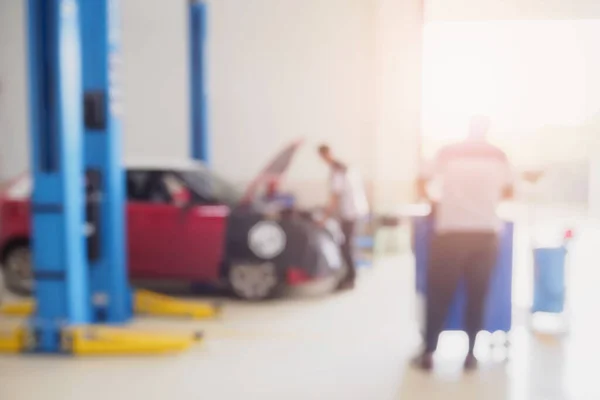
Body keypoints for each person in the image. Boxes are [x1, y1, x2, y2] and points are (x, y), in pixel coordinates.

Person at [413, 116, 515, 371]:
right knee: (476, 296)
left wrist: (434, 202)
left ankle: (428, 352)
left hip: (450, 233)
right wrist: (486, 199)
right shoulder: (498, 155)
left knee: (439, 295)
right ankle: (471, 354)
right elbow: (510, 191)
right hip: (484, 234)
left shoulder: (448, 152)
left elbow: (421, 180)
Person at [318, 144, 369, 290]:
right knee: (347, 245)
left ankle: (351, 278)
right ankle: (350, 276)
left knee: (346, 246)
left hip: (350, 213)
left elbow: (335, 196)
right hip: (356, 211)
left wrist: (324, 217)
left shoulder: (338, 171)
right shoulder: (345, 168)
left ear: (326, 154)